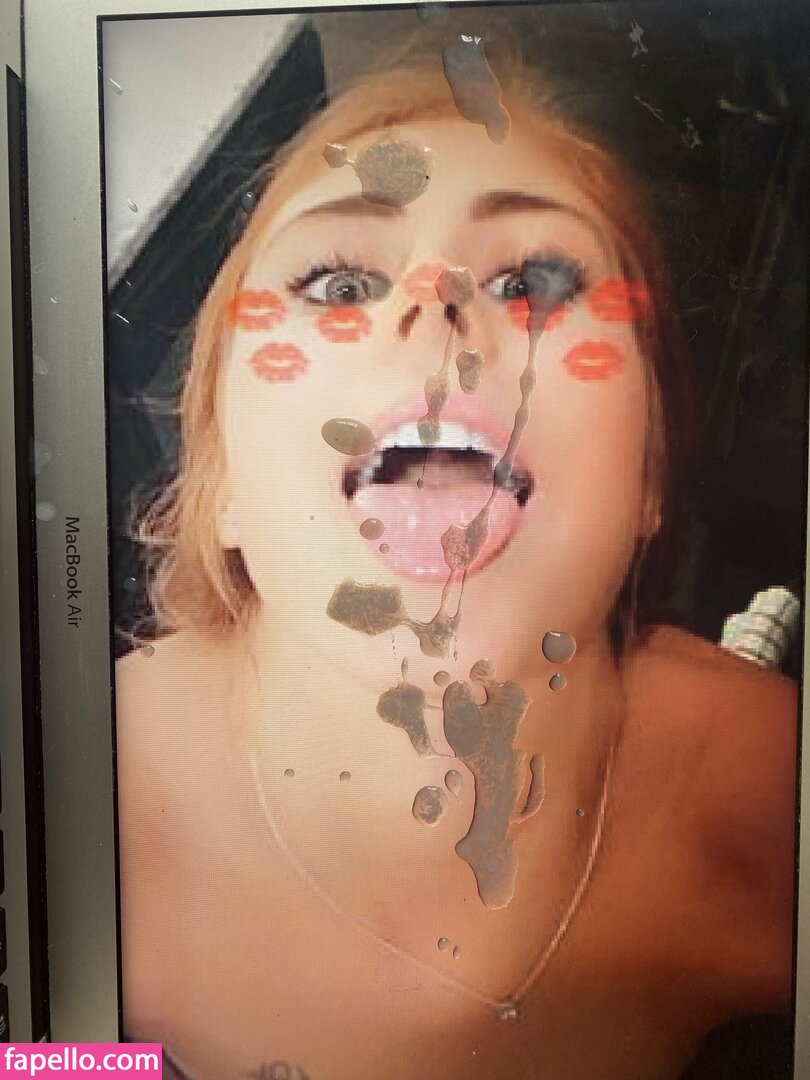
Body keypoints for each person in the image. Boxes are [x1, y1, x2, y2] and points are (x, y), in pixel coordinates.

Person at [115, 53, 797, 1080]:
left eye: (534, 282)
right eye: (341, 282)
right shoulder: (73, 799)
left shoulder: (767, 801)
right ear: (220, 488)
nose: (435, 302)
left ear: (648, 473)